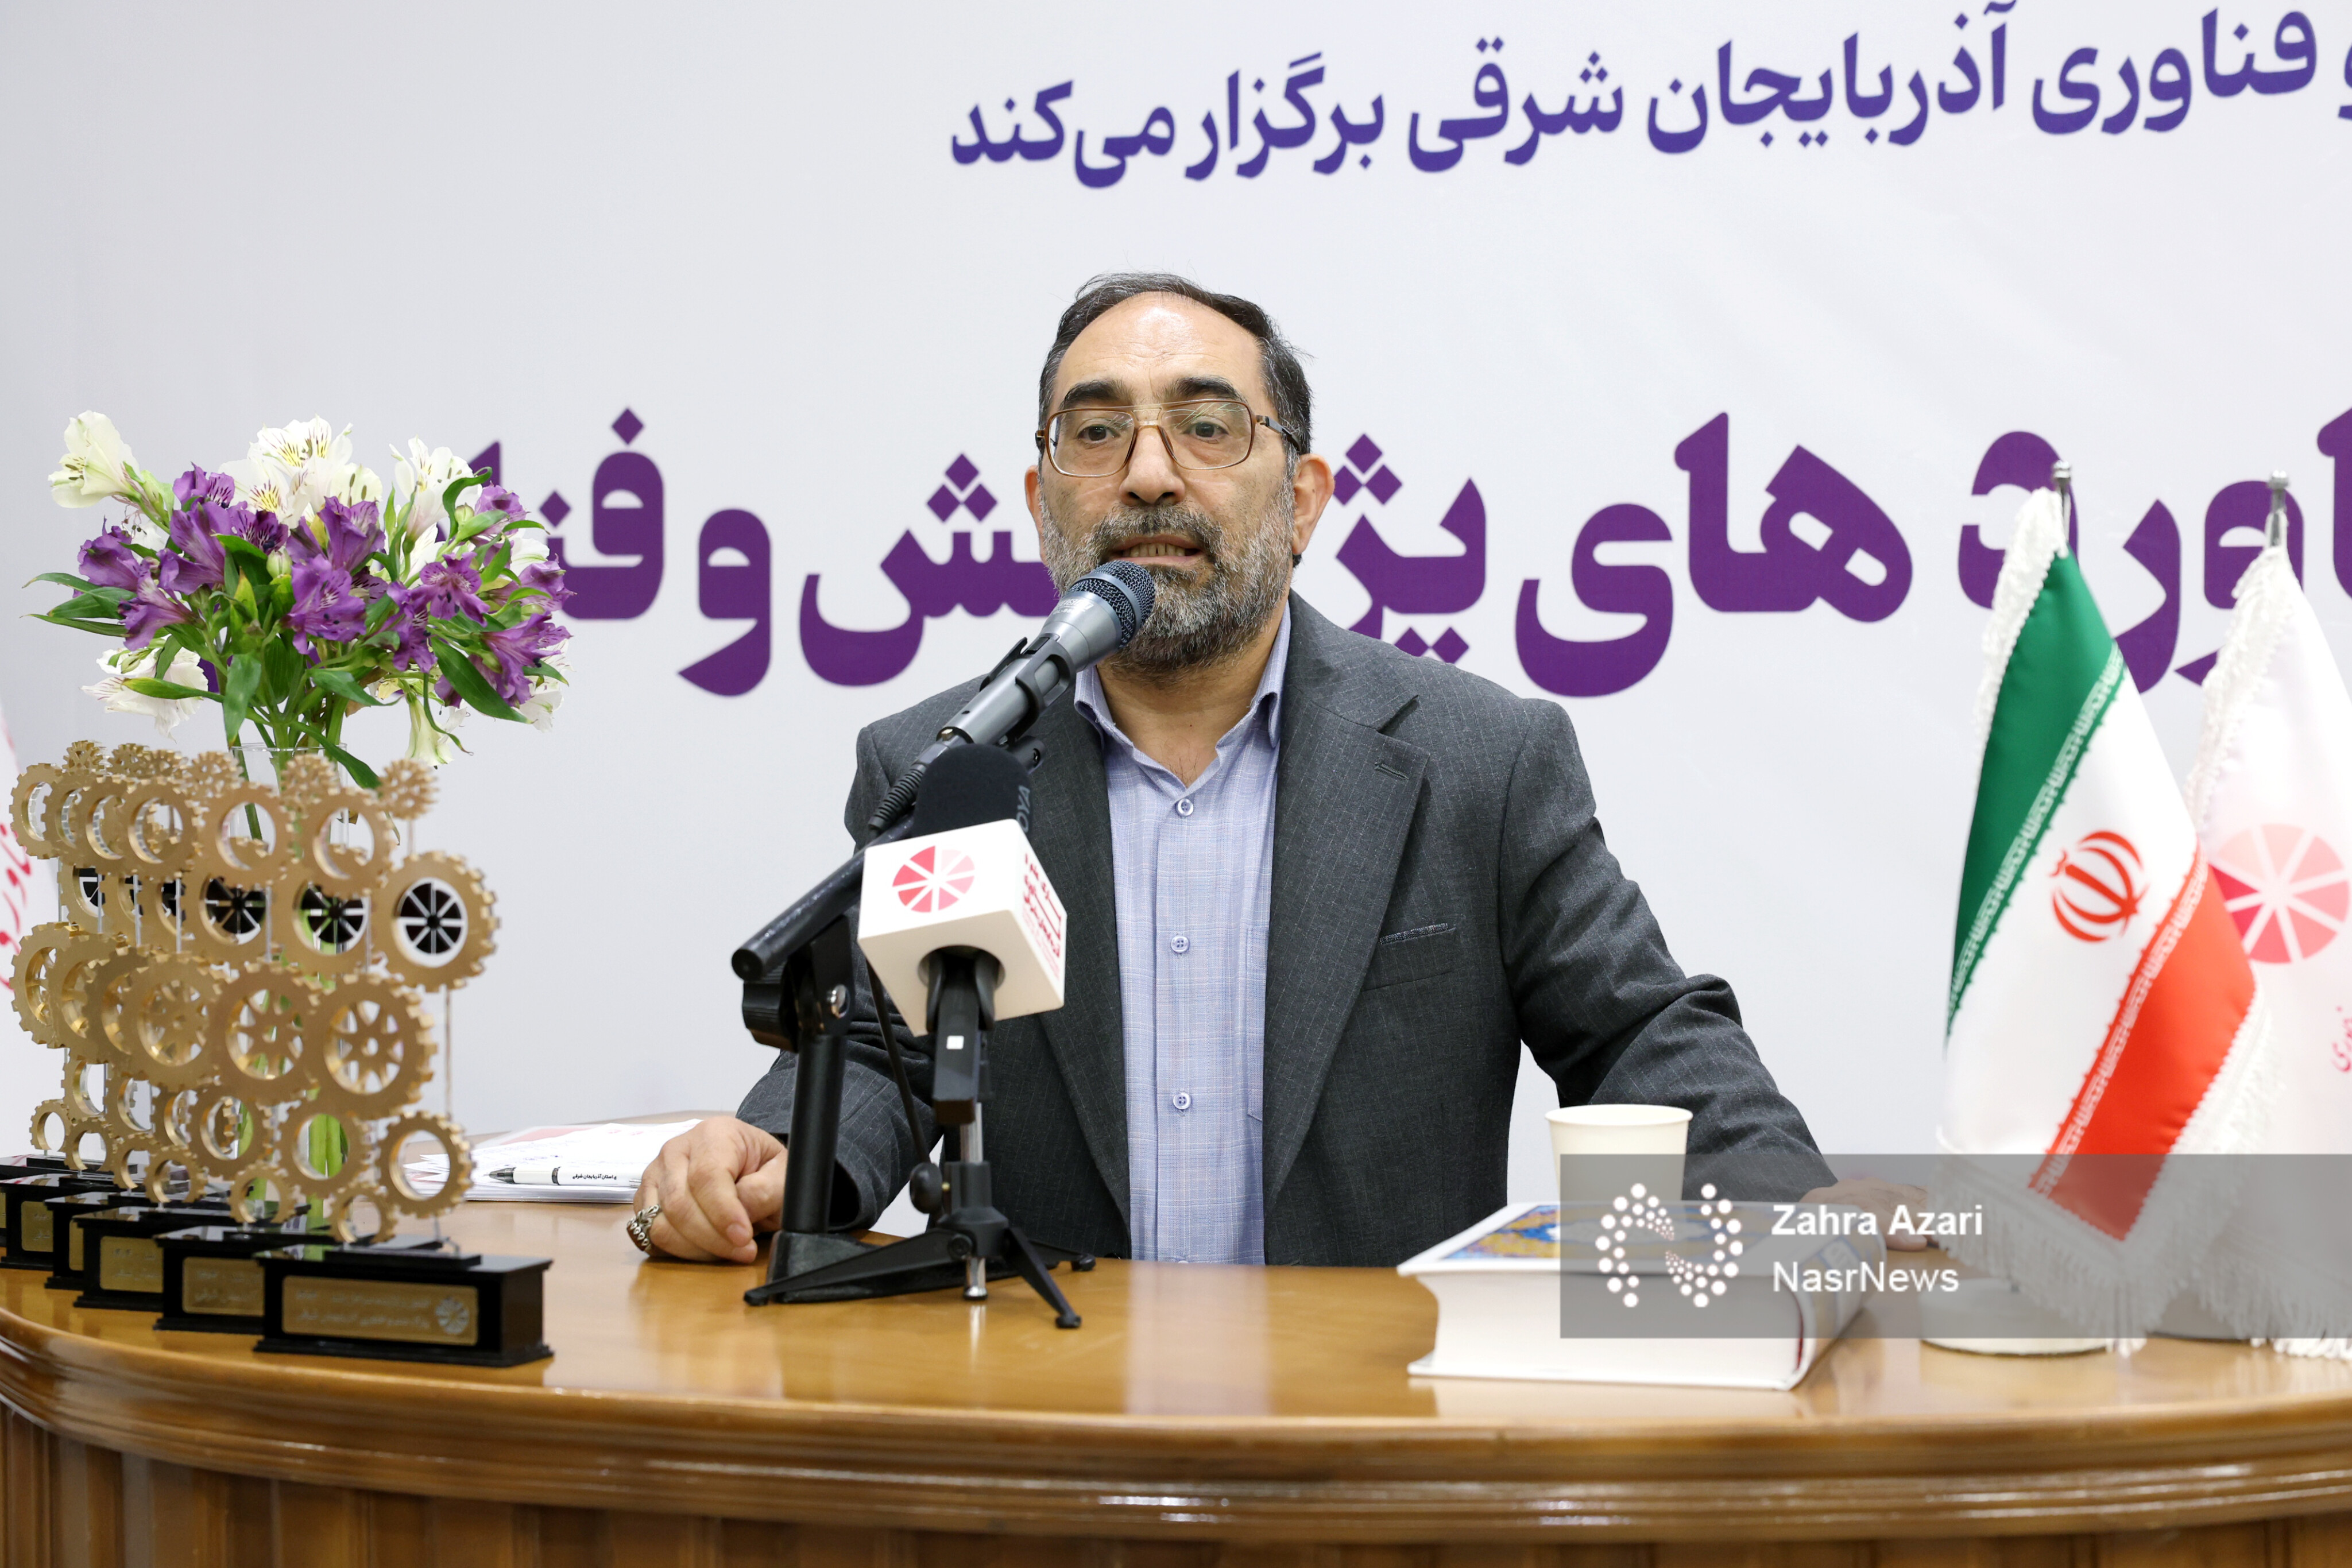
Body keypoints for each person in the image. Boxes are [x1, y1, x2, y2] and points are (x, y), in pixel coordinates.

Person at [633, 273, 1922, 1267]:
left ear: (1301, 500)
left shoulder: (1475, 762)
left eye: (1205, 427)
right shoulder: (953, 764)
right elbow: (882, 1046)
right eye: (1097, 432)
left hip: (1369, 1429)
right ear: (1039, 498)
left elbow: (1639, 1032)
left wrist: (1786, 1206)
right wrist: (779, 1158)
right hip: (1046, 1421)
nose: (1148, 474)